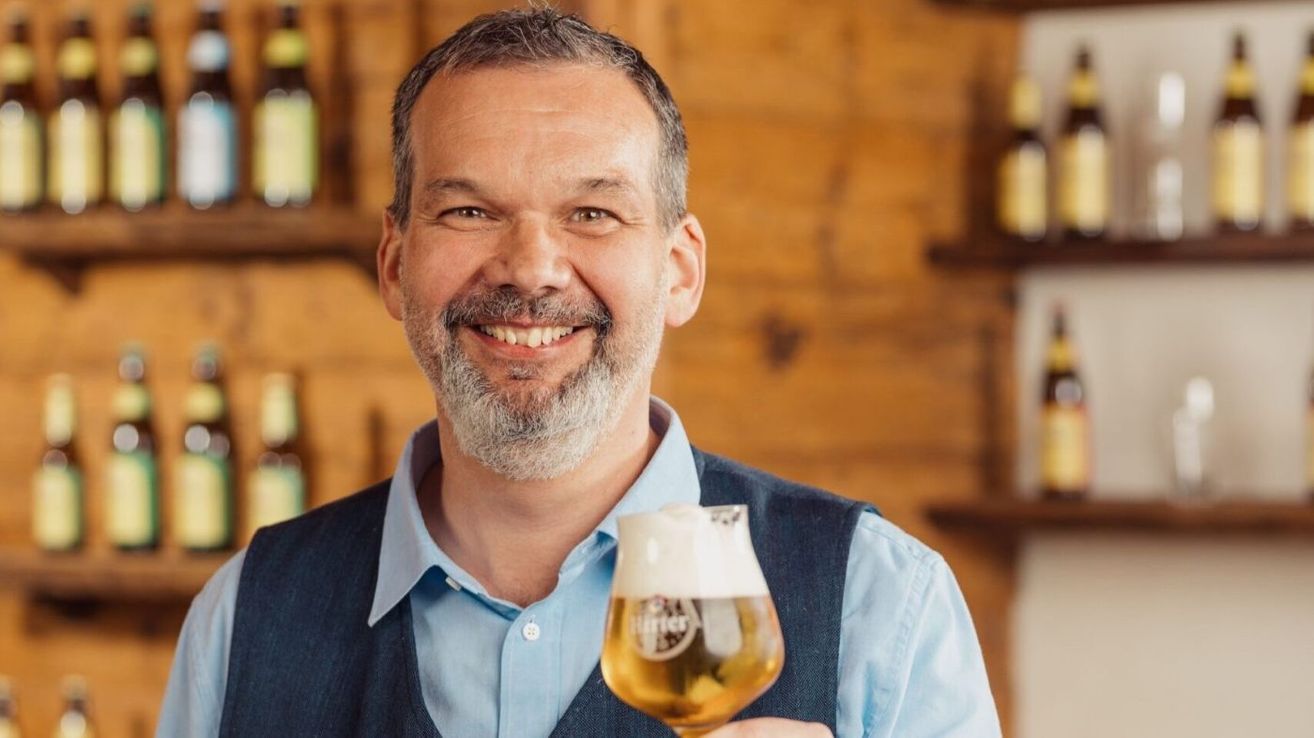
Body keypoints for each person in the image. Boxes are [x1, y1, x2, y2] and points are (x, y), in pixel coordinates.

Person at [157, 8, 1001, 737]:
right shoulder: (241, 621)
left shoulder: (880, 602)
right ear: (394, 265)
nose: (531, 268)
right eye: (469, 210)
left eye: (592, 213)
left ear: (680, 272)